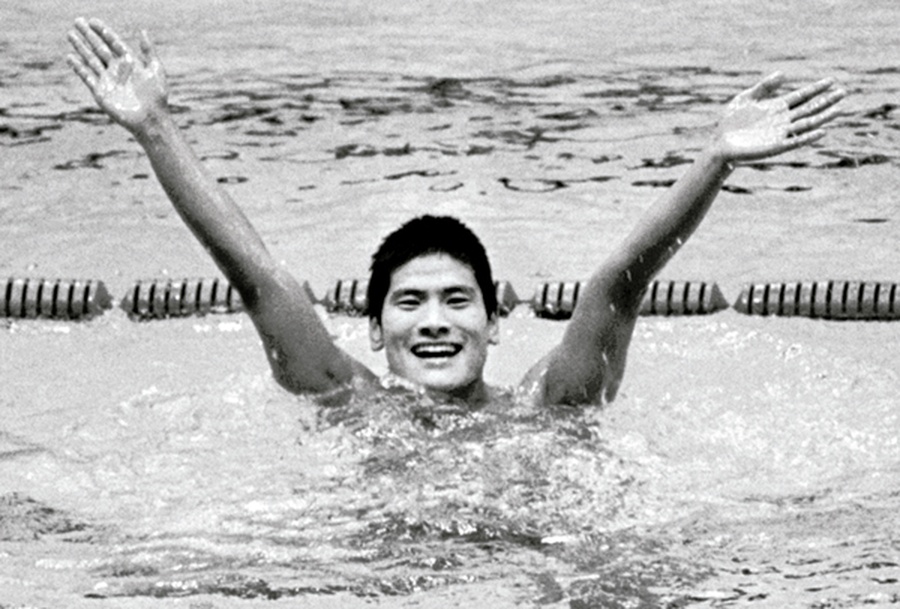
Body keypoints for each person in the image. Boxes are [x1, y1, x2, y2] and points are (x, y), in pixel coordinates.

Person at [66, 17, 845, 408]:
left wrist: (714, 158)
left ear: (495, 321)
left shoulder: (548, 406)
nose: (434, 318)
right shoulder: (347, 400)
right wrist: (155, 127)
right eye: (409, 301)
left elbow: (617, 284)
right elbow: (261, 282)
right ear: (374, 331)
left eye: (455, 298)